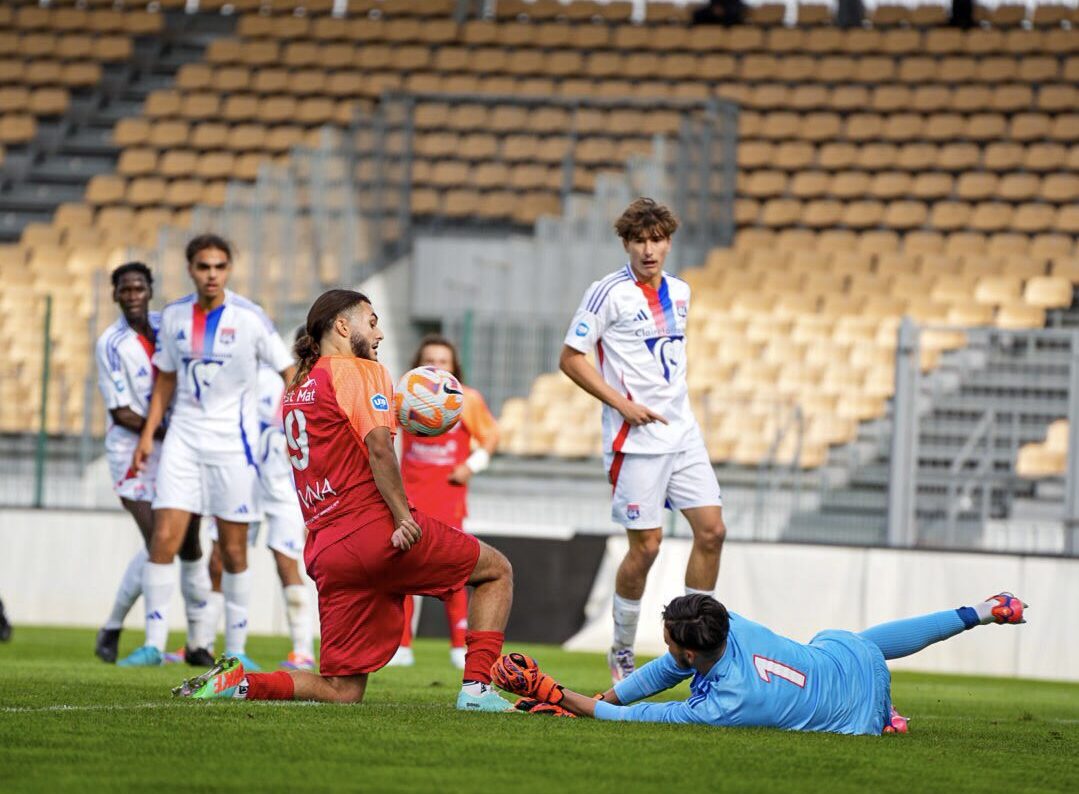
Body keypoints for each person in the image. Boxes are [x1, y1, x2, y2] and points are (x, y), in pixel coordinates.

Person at [172, 289, 515, 712]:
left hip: (327, 550)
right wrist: (402, 516)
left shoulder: (299, 385)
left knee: (342, 689)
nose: (381, 333)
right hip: (375, 533)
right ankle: (478, 692)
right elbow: (379, 448)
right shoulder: (360, 371)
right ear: (342, 326)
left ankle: (240, 684)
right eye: (372, 322)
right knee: (496, 572)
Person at [559, 197, 726, 683]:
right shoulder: (606, 293)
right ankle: (622, 649)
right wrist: (621, 403)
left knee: (712, 532)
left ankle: (703, 649)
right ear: (626, 243)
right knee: (646, 548)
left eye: (657, 240)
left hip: (684, 433)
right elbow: (571, 358)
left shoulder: (681, 292)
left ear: (669, 242)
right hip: (636, 441)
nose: (648, 249)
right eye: (639, 241)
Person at [492, 592, 1029, 734]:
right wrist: (599, 698)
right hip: (850, 665)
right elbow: (666, 672)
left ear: (690, 649)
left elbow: (628, 721)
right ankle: (979, 610)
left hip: (858, 723)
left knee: (855, 654)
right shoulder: (729, 623)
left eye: (669, 642)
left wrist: (554, 693)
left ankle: (888, 716)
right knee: (854, 644)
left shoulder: (726, 705)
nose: (666, 650)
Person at [118, 235, 294, 669]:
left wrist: (296, 425)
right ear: (191, 269)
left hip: (235, 448)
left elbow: (289, 371)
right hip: (182, 441)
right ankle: (153, 645)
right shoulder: (175, 316)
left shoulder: (251, 318)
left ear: (229, 269)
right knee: (164, 538)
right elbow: (165, 380)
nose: (211, 274)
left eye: (218, 266)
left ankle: (235, 650)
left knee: (234, 551)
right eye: (203, 266)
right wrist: (147, 436)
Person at [93, 261, 211, 666]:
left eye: (138, 288)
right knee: (159, 540)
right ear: (115, 296)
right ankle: (126, 632)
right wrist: (171, 431)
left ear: (149, 290)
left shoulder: (169, 327)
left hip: (175, 448)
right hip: (132, 454)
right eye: (124, 290)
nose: (132, 296)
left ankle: (198, 642)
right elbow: (121, 411)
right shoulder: (110, 343)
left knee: (187, 540)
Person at [389, 334, 500, 670]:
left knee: (454, 574)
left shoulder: (466, 400)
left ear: (454, 368)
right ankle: (401, 645)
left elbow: (492, 436)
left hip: (448, 500)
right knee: (402, 574)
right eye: (429, 361)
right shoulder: (404, 398)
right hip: (409, 499)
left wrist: (471, 465)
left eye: (443, 361)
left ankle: (458, 645)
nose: (436, 367)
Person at [203, 363, 316, 671]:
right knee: (219, 560)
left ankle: (303, 651)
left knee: (287, 563)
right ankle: (202, 643)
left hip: (285, 489)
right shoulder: (247, 377)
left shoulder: (309, 387)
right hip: (242, 483)